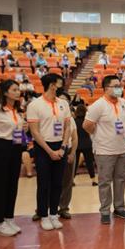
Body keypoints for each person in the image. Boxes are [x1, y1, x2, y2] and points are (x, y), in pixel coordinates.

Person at [83, 76, 125, 224]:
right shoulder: (98, 105)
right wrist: (100, 135)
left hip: (122, 149)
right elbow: (87, 125)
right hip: (104, 150)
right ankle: (105, 210)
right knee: (105, 182)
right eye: (115, 86)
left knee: (120, 180)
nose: (119, 88)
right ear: (106, 88)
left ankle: (119, 208)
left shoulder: (124, 103)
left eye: (120, 85)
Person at [26, 73, 71, 231]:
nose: (60, 85)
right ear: (52, 85)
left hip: (60, 146)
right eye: (58, 83)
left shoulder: (63, 104)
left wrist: (63, 147)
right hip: (43, 147)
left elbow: (67, 127)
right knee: (44, 183)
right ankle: (43, 215)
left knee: (57, 183)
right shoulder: (35, 105)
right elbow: (35, 132)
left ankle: (54, 214)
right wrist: (49, 151)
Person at [0, 80, 25, 237]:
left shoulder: (16, 110)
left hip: (15, 147)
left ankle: (9, 218)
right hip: (1, 147)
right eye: (14, 89)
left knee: (12, 184)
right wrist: (0, 142)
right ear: (6, 92)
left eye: (18, 89)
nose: (17, 92)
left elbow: (17, 131)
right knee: (0, 185)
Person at [57, 92, 77, 220]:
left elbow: (75, 138)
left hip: (68, 151)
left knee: (67, 182)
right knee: (47, 181)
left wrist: (72, 153)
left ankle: (64, 208)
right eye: (61, 100)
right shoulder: (49, 115)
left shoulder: (70, 119)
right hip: (51, 149)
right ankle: (43, 208)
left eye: (66, 101)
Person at [74, 105, 97, 186]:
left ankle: (72, 180)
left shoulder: (74, 121)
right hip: (87, 143)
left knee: (75, 163)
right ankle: (93, 180)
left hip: (76, 143)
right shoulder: (87, 121)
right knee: (89, 163)